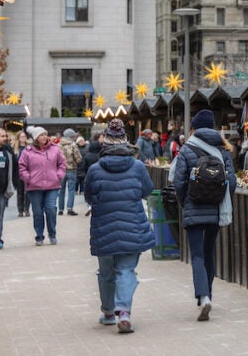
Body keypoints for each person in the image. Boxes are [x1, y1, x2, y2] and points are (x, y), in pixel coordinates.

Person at [84, 117, 156, 333]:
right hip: (131, 226)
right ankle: (123, 311)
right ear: (126, 142)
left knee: (105, 272)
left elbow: (88, 195)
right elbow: (147, 190)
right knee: (125, 270)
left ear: (105, 143)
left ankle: (108, 312)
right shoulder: (137, 167)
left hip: (104, 227)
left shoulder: (95, 170)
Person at [172, 109, 237, 321]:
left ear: (195, 127)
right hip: (217, 209)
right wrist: (219, 197)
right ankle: (208, 294)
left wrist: (185, 203)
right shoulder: (222, 151)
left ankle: (203, 297)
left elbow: (179, 182)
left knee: (197, 255)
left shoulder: (187, 149)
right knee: (209, 253)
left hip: (194, 207)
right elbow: (232, 183)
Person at [18, 125, 66, 246]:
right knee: (38, 212)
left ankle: (52, 233)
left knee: (50, 209)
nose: (44, 137)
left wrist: (59, 175)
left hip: (52, 185)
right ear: (35, 138)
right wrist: (27, 178)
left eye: (45, 134)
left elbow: (62, 163)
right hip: (34, 186)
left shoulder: (55, 149)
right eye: (41, 135)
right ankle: (39, 235)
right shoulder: (27, 151)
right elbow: (22, 166)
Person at [58, 128, 82, 216]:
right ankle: (69, 208)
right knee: (71, 190)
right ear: (71, 136)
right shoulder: (73, 145)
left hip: (61, 170)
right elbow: (78, 159)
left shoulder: (58, 145)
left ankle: (60, 209)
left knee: (61, 190)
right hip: (71, 169)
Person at [81, 131, 104, 216]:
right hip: (100, 175)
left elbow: (84, 165)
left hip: (89, 175)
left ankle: (89, 205)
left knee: (89, 191)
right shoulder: (101, 155)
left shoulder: (87, 155)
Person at [11, 131, 30, 217]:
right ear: (18, 138)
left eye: (24, 136)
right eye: (21, 136)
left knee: (27, 192)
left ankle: (27, 209)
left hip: (28, 172)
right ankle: (20, 210)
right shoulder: (15, 149)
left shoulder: (29, 148)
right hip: (18, 173)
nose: (23, 138)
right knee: (20, 192)